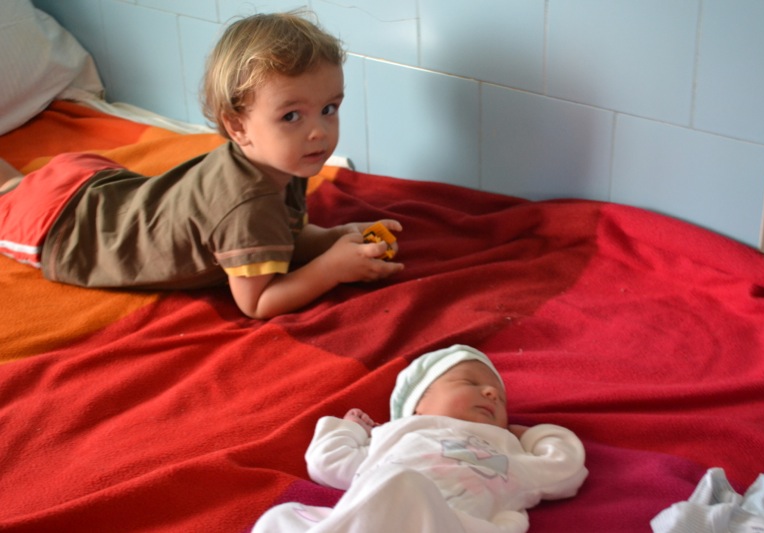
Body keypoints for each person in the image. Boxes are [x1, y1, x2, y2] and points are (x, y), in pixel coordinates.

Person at [0, 12, 403, 319]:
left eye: (329, 109)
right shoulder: (248, 204)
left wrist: (335, 238)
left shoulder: (284, 161)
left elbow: (283, 236)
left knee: (14, 182)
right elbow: (257, 301)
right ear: (238, 126)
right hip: (64, 226)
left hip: (97, 185)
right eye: (292, 116)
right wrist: (331, 270)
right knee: (8, 192)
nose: (318, 132)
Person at [251, 345, 589, 533]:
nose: (490, 393)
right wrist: (350, 428)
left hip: (450, 523)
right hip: (376, 516)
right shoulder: (396, 435)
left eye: (499, 398)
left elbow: (565, 468)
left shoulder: (508, 453)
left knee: (404, 483)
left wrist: (534, 436)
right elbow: (327, 463)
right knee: (280, 518)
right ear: (417, 405)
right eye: (470, 382)